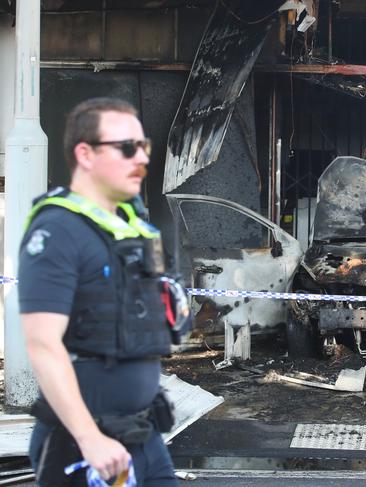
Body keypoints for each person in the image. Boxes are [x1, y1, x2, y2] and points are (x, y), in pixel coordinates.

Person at [19, 97, 184, 486]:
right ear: (85, 154)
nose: (140, 159)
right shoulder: (58, 230)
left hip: (142, 436)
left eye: (143, 147)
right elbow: (43, 343)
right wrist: (88, 438)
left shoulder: (133, 227)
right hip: (87, 448)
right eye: (126, 148)